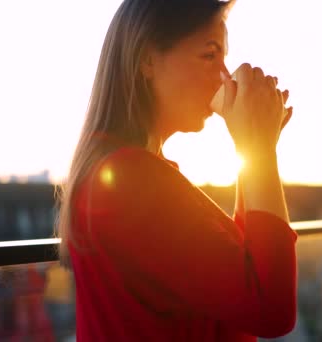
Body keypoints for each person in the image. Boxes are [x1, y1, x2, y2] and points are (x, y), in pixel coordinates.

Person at [55, 0, 298, 340]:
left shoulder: (132, 171)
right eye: (209, 55)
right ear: (147, 59)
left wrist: (253, 146)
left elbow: (241, 272)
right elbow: (270, 308)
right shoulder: (129, 180)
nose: (222, 77)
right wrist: (259, 150)